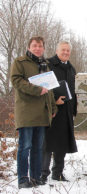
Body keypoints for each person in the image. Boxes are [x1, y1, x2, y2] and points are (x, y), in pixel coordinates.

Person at [10, 36, 57, 188]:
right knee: (25, 147)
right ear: (29, 47)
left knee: (38, 148)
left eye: (40, 46)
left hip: (42, 113)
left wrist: (53, 107)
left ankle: (36, 178)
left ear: (43, 48)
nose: (38, 48)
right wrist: (37, 90)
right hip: (26, 112)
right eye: (35, 45)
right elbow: (16, 81)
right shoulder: (20, 62)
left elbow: (48, 89)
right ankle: (23, 179)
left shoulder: (45, 65)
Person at [41, 41, 78, 182]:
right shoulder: (48, 64)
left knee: (62, 143)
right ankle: (43, 174)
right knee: (47, 143)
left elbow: (73, 91)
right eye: (63, 50)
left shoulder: (71, 68)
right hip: (51, 110)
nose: (66, 52)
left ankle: (58, 173)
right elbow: (42, 86)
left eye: (68, 50)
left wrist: (74, 109)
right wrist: (53, 102)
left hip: (67, 111)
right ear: (57, 50)